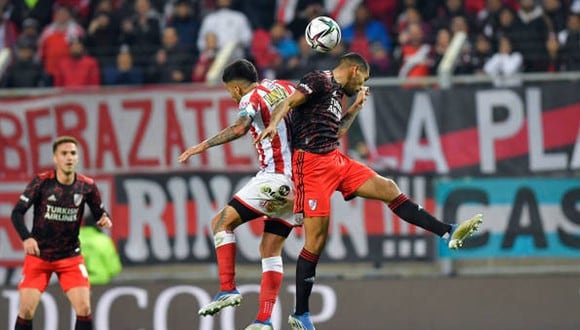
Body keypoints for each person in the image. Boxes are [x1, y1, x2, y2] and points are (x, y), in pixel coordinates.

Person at [256, 52, 483, 330]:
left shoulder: (338, 96)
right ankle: (300, 313)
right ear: (354, 70)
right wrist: (272, 124)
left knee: (388, 187)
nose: (364, 83)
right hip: (311, 165)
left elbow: (336, 132)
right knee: (316, 241)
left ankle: (447, 231)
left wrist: (355, 108)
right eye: (364, 77)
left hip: (335, 159)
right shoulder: (318, 80)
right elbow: (290, 101)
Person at [178, 59, 299, 330]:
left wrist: (201, 146)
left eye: (229, 91)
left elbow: (240, 127)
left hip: (276, 176)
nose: (232, 97)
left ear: (234, 87)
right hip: (300, 182)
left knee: (221, 222)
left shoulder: (249, 97)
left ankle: (227, 288)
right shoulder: (283, 86)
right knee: (270, 248)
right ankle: (264, 320)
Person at [10, 136, 112, 330]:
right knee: (26, 310)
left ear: (78, 157)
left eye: (73, 153)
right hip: (39, 257)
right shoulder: (41, 183)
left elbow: (100, 213)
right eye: (64, 154)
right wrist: (27, 237)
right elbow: (17, 213)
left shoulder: (87, 186)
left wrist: (105, 218)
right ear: (55, 158)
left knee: (84, 308)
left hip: (70, 258)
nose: (69, 157)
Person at [79, 215, 122, 285]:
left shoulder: (73, 238)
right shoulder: (103, 241)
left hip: (75, 284)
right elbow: (114, 268)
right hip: (100, 284)